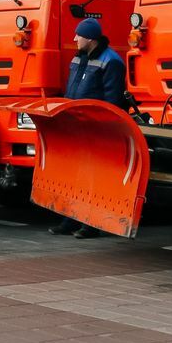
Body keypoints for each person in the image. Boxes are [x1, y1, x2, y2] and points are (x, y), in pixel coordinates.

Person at [48, 17, 127, 239]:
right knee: (74, 175)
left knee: (93, 178)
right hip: (75, 125)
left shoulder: (112, 61)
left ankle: (91, 223)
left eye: (78, 35)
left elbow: (112, 100)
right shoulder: (78, 58)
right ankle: (70, 219)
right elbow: (70, 92)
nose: (74, 38)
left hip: (95, 128)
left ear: (90, 38)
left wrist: (104, 127)